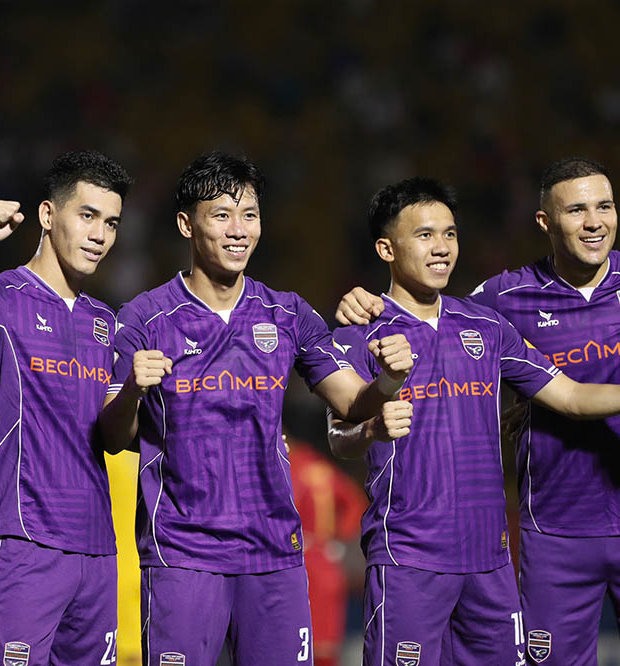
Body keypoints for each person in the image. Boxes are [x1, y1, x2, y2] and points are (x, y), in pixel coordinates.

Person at [97, 152, 413, 666]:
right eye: (221, 215)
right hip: (183, 555)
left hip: (274, 554)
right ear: (186, 224)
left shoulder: (286, 313)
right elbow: (112, 436)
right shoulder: (146, 317)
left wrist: (389, 378)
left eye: (250, 214)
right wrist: (133, 388)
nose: (239, 229)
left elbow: (352, 402)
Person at [334, 159, 620, 665]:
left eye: (449, 233)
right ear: (387, 249)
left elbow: (573, 397)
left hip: (490, 559)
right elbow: (339, 436)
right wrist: (373, 425)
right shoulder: (362, 332)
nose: (441, 246)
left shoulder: (486, 326)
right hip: (409, 555)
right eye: (424, 235)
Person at [0, 150, 133, 665]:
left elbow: (116, 438)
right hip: (21, 539)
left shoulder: (107, 322)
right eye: (87, 216)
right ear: (47, 215)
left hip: (99, 550)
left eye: (111, 223)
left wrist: (137, 394)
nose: (100, 235)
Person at [289, 438, 367, 666]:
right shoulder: (325, 469)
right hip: (328, 561)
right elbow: (356, 506)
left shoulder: (290, 467)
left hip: (297, 561)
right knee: (326, 642)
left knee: (295, 640)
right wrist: (338, 538)